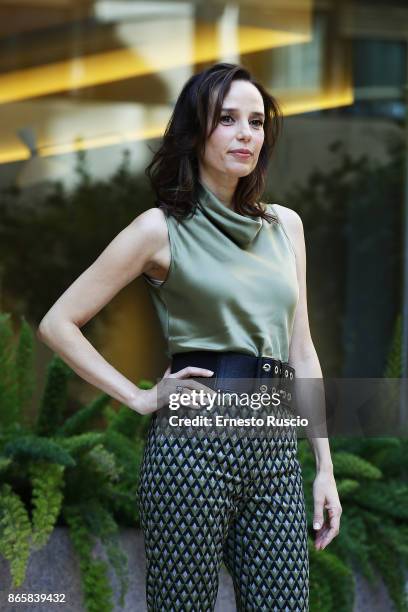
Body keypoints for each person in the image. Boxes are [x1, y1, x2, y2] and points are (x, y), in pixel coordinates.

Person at [37, 62, 342, 611]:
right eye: (227, 119)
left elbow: (301, 349)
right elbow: (58, 323)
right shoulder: (160, 228)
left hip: (273, 446)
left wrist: (324, 467)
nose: (247, 133)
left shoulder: (285, 227)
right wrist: (139, 396)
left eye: (256, 121)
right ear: (195, 132)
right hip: (193, 447)